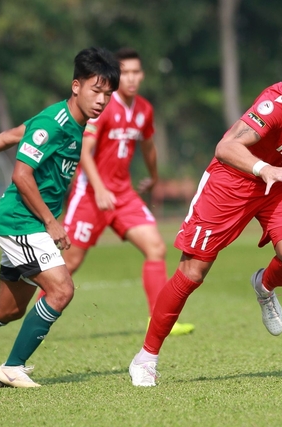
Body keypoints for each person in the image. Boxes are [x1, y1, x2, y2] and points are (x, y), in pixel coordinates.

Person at [128, 76, 282, 386]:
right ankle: (146, 358)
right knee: (193, 272)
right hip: (234, 178)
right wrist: (264, 169)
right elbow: (226, 147)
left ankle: (264, 286)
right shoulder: (278, 106)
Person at [0, 47, 120, 387]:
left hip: (28, 222)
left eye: (108, 94)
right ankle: (12, 368)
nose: (101, 100)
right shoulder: (55, 123)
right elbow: (21, 175)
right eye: (96, 90)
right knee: (62, 290)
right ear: (76, 86)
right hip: (21, 221)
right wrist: (51, 223)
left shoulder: (75, 123)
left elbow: (10, 136)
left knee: (8, 310)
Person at [58, 47, 194, 335]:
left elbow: (148, 146)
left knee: (155, 248)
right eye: (126, 72)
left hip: (123, 195)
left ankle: (158, 321)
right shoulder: (103, 105)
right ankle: (37, 324)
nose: (131, 78)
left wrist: (154, 177)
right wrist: (99, 189)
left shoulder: (144, 109)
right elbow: (84, 151)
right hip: (90, 194)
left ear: (142, 75)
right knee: (69, 263)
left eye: (136, 72)